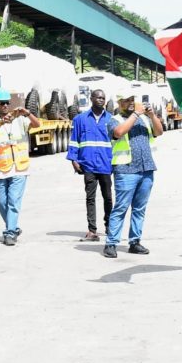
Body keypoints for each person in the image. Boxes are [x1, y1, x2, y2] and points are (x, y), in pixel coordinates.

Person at [103, 89, 164, 258]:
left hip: (146, 169)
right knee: (121, 207)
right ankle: (111, 243)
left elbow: (159, 132)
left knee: (139, 208)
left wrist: (152, 116)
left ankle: (135, 242)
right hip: (126, 170)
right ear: (119, 103)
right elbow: (118, 133)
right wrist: (136, 114)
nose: (130, 102)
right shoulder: (114, 120)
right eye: (125, 100)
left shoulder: (144, 119)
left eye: (132, 99)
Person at [0, 88, 40, 246]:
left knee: (13, 201)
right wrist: (0, 123)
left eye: (7, 103)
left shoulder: (20, 119)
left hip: (19, 168)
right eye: (2, 103)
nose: (5, 106)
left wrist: (26, 112)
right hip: (0, 169)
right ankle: (13, 227)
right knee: (2, 203)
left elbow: (37, 124)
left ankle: (9, 233)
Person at [66, 89, 113, 241]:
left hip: (106, 164)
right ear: (91, 98)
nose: (101, 100)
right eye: (98, 97)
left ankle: (109, 226)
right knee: (90, 198)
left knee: (108, 198)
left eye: (103, 98)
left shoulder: (111, 120)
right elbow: (74, 140)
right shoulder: (80, 119)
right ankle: (92, 230)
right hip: (88, 165)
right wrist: (73, 159)